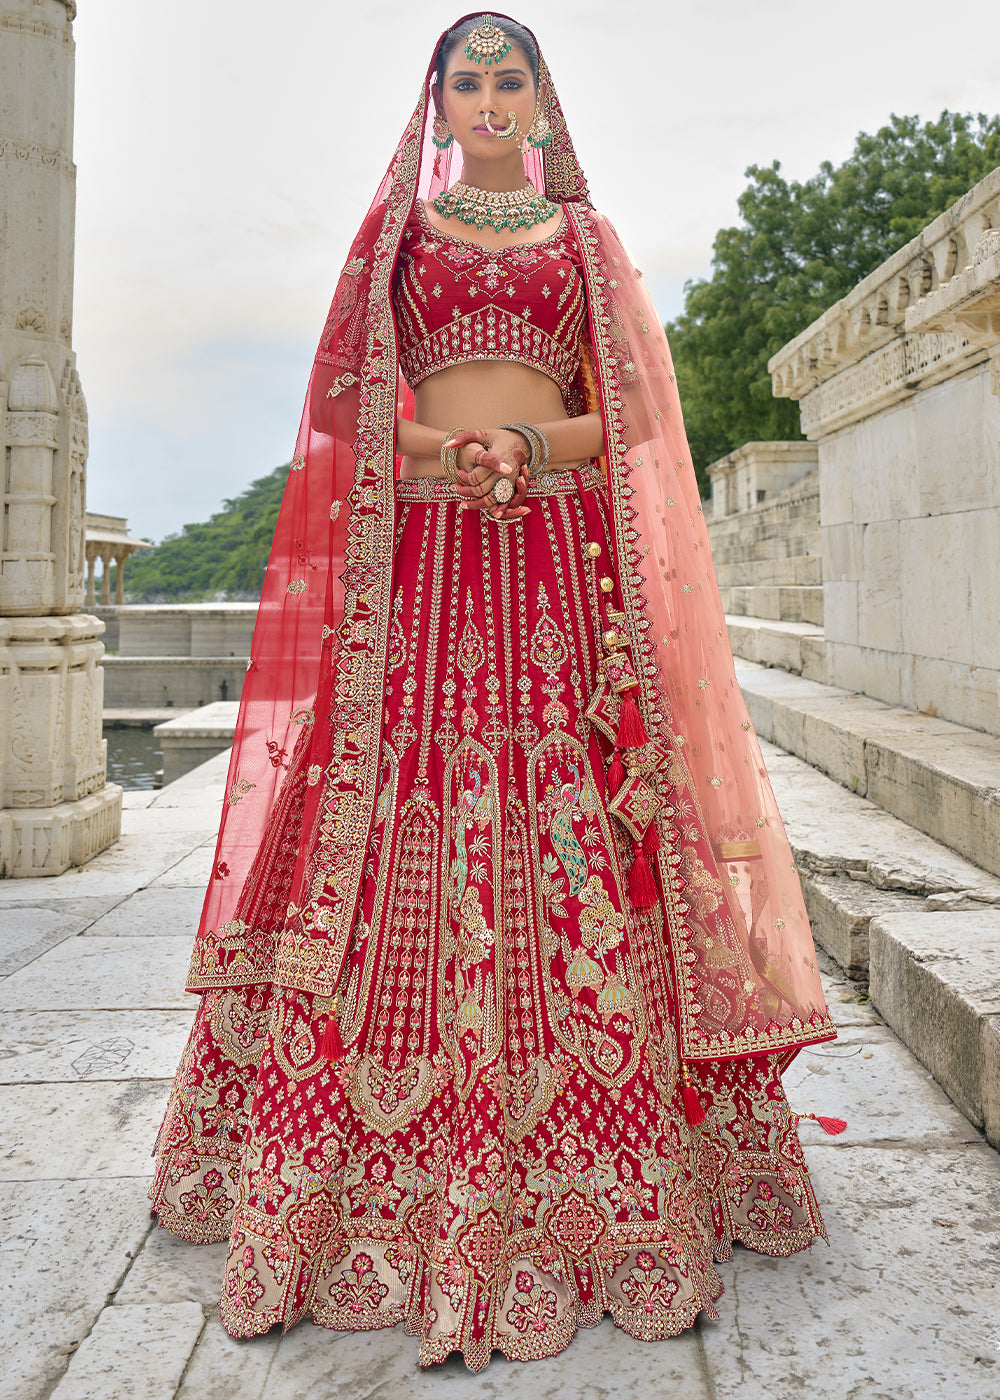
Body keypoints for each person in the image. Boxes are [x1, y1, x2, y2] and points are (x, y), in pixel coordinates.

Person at [150, 13, 839, 1371]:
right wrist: (442, 453)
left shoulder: (585, 244)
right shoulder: (394, 242)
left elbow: (634, 413)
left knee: (577, 819)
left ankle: (624, 1195)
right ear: (437, 104)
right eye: (463, 79)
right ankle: (344, 1196)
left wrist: (524, 443)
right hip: (420, 569)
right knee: (384, 819)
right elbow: (346, 408)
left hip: (551, 571)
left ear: (541, 98)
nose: (485, 96)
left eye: (507, 75)